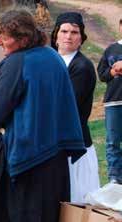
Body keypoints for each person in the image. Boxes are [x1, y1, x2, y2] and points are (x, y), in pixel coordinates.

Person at [0, 9, 86, 222]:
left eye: (4, 37)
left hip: (25, 160)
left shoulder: (17, 62)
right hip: (54, 160)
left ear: (24, 38)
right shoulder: (52, 56)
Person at [51, 12, 100, 202]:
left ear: (81, 39)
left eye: (74, 32)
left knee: (76, 200)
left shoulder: (82, 67)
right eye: (64, 31)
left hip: (74, 146)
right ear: (56, 35)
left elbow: (66, 105)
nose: (68, 36)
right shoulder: (52, 60)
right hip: (55, 144)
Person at [97, 19, 122, 184]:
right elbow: (102, 74)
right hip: (114, 101)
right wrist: (113, 70)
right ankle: (115, 178)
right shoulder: (111, 50)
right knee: (113, 141)